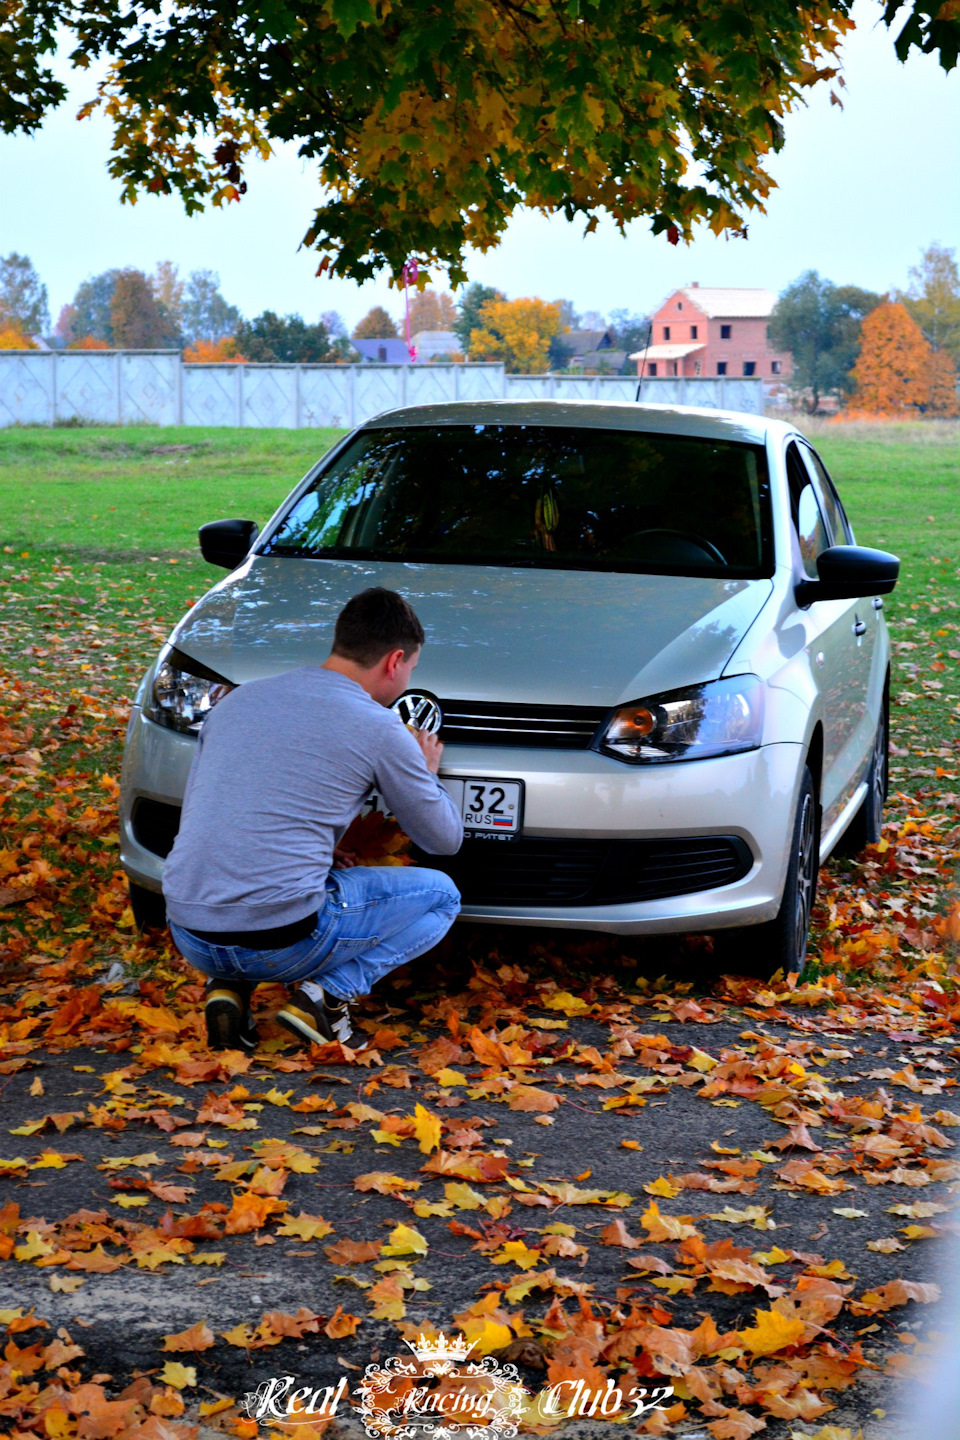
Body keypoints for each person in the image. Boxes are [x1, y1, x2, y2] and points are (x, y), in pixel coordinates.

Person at [162, 587, 462, 1052]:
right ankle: (327, 997)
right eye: (412, 670)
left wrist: (319, 850)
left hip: (188, 930)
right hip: (285, 943)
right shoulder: (378, 726)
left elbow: (228, 812)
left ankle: (227, 987)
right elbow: (443, 839)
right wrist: (425, 774)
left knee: (253, 888)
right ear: (395, 661)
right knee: (443, 896)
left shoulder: (239, 701)